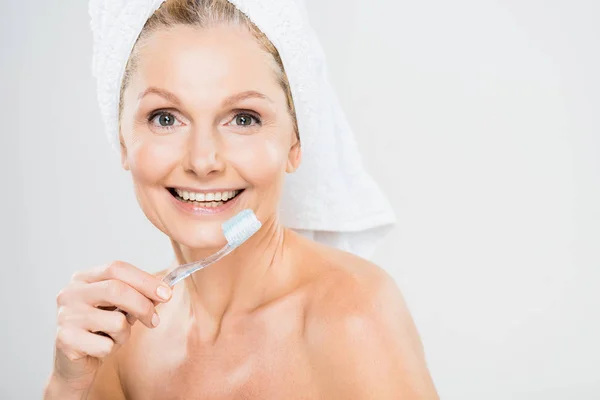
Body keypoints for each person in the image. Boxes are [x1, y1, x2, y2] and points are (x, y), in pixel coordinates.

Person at [44, 0, 439, 398]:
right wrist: (68, 384)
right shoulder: (123, 340)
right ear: (123, 140)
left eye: (243, 118)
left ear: (295, 143)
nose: (203, 160)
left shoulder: (352, 316)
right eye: (165, 117)